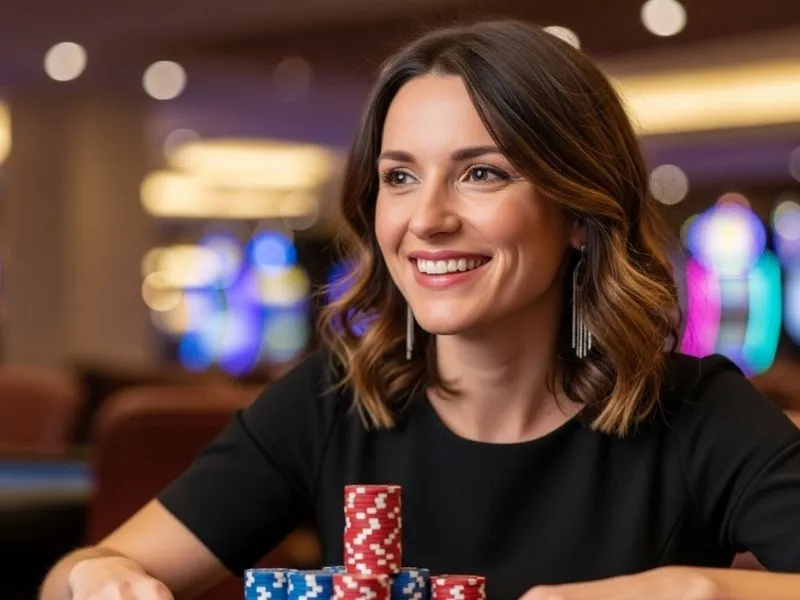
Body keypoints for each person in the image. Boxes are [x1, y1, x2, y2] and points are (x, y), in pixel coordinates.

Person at [41, 19, 800, 600]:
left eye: (480, 172)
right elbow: (84, 570)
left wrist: (708, 587)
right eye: (400, 177)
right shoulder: (331, 405)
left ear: (579, 213)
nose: (426, 218)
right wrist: (100, 577)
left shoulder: (700, 414)